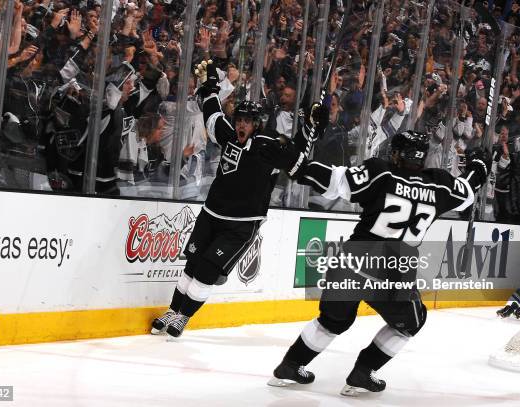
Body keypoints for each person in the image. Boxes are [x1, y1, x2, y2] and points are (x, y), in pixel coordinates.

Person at [258, 130, 491, 395]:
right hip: (392, 270)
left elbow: (332, 181)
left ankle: (291, 365)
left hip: (351, 259)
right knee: (412, 322)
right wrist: (480, 164)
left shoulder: (381, 173)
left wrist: (295, 163)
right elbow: (468, 188)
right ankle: (363, 371)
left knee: (333, 321)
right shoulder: (439, 184)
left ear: (396, 153)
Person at [150, 60, 328, 338]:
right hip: (212, 213)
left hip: (242, 224)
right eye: (240, 119)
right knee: (192, 264)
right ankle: (173, 310)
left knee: (208, 270)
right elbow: (212, 113)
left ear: (256, 124)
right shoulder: (229, 135)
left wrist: (311, 130)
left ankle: (184, 316)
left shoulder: (268, 146)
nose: (242, 124)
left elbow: (298, 160)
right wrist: (210, 86)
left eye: (247, 121)